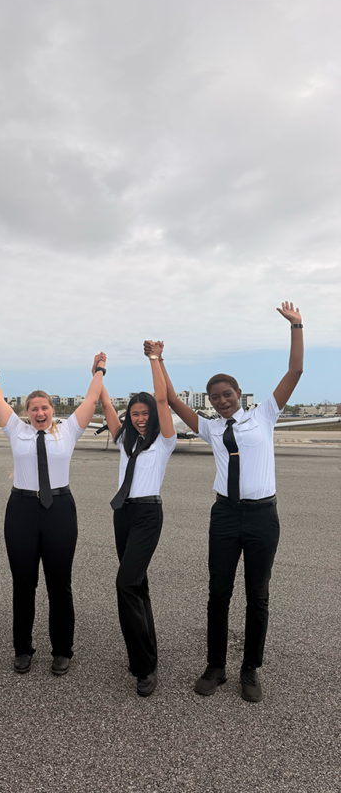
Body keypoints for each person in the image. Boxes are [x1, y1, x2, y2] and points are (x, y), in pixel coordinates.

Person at [150, 301, 304, 702]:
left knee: (258, 595)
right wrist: (159, 360)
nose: (221, 401)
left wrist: (296, 327)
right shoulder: (210, 428)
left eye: (227, 394)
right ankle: (215, 666)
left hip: (262, 516)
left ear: (238, 393)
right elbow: (169, 398)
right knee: (218, 593)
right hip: (225, 515)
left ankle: (250, 668)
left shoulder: (264, 415)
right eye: (214, 397)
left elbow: (295, 372)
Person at [0, 353, 107, 676]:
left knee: (59, 584)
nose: (40, 413)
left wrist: (98, 370)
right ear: (26, 413)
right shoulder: (16, 430)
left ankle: (62, 650)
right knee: (23, 584)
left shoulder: (68, 431)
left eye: (45, 408)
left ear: (53, 410)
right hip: (21, 510)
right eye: (34, 409)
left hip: (59, 511)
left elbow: (91, 400)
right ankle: (22, 649)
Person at [98, 349, 176, 696]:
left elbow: (162, 398)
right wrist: (98, 371)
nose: (141, 418)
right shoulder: (124, 440)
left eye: (145, 413)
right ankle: (149, 652)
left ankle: (144, 667)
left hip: (147, 515)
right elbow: (105, 405)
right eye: (135, 414)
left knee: (126, 584)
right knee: (138, 586)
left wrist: (154, 360)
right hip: (123, 514)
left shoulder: (164, 441)